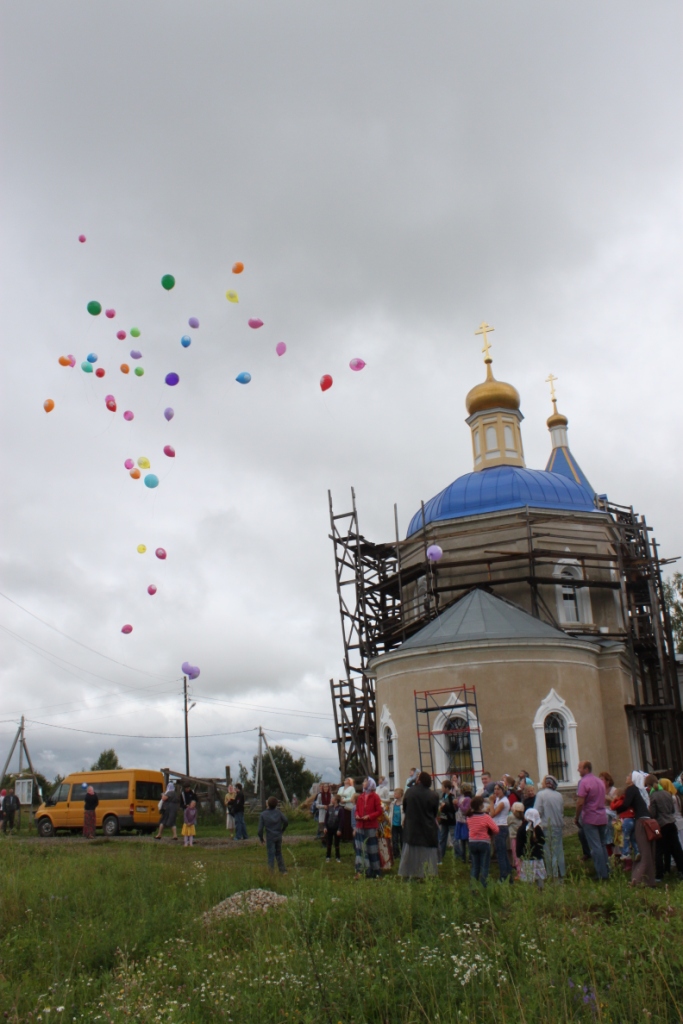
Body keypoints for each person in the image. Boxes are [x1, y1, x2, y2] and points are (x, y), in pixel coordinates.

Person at [398, 772, 440, 879]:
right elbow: (435, 812)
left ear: (419, 780)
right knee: (426, 852)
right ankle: (427, 873)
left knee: (411, 851)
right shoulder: (433, 795)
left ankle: (409, 873)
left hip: (412, 826)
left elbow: (405, 808)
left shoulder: (409, 792)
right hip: (427, 827)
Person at [619, 773, 656, 887]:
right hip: (650, 821)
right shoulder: (643, 791)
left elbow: (625, 804)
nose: (627, 777)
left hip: (641, 822)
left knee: (643, 852)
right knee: (650, 853)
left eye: (629, 775)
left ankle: (635, 880)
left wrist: (615, 808)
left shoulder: (632, 789)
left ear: (634, 779)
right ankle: (650, 881)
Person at [574, 761, 609, 880]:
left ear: (586, 769)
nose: (578, 770)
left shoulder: (584, 782)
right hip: (602, 815)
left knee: (595, 846)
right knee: (603, 844)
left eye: (580, 768)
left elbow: (580, 802)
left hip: (590, 816)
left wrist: (576, 816)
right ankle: (607, 869)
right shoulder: (599, 781)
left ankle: (601, 874)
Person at [646, 774, 683, 881]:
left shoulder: (653, 796)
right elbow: (672, 810)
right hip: (672, 824)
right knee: (676, 849)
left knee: (659, 850)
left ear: (649, 785)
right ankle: (681, 870)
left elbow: (653, 813)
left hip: (660, 826)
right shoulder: (667, 794)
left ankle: (659, 874)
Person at [534, 775, 566, 880]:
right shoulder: (559, 795)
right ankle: (562, 873)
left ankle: (553, 875)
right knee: (559, 850)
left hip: (547, 826)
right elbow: (561, 811)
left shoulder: (541, 795)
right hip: (558, 826)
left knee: (549, 852)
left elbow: (537, 811)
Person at [353, 777, 383, 880]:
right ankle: (361, 871)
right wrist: (357, 815)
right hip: (360, 825)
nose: (363, 783)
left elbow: (379, 811)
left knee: (372, 848)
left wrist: (369, 816)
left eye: (365, 781)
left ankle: (375, 871)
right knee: (360, 849)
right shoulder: (361, 796)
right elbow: (357, 810)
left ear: (370, 783)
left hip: (370, 826)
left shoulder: (375, 797)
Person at [466, 795, 499, 888]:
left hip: (472, 842)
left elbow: (469, 827)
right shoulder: (486, 817)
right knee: (484, 866)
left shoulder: (469, 817)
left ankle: (473, 887)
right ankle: (483, 887)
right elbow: (496, 829)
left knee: (475, 866)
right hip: (484, 842)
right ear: (481, 806)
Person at [258, 796, 289, 873]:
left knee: (271, 854)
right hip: (278, 835)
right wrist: (282, 829)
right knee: (278, 853)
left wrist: (261, 838)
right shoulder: (278, 812)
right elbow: (286, 821)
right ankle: (283, 871)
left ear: (267, 804)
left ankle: (271, 872)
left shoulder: (263, 814)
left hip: (270, 836)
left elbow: (260, 829)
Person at [518, 808, 546, 890]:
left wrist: (519, 855)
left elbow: (519, 844)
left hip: (527, 857)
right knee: (539, 875)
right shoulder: (537, 828)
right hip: (538, 856)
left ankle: (529, 891)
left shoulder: (522, 829)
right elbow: (543, 840)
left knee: (528, 876)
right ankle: (541, 890)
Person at [489, 782, 512, 883]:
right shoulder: (499, 799)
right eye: (495, 789)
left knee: (501, 854)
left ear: (503, 790)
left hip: (501, 827)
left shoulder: (503, 801)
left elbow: (493, 814)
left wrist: (490, 802)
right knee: (502, 852)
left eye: (498, 789)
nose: (496, 791)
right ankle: (509, 876)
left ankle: (503, 877)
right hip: (498, 826)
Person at [437, 779, 457, 863]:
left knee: (454, 837)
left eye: (442, 787)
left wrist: (444, 807)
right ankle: (441, 854)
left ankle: (458, 854)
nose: (441, 788)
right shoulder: (443, 796)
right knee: (442, 837)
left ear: (447, 788)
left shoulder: (451, 796)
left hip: (450, 819)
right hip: (444, 819)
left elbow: (453, 809)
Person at [454, 783, 472, 863]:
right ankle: (463, 857)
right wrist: (455, 804)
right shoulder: (461, 797)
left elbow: (465, 810)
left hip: (465, 821)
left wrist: (458, 803)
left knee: (467, 839)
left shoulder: (468, 799)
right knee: (462, 840)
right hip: (460, 820)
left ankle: (470, 857)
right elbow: (457, 808)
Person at [323, 794, 343, 862]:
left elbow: (341, 820)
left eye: (333, 799)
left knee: (336, 843)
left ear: (336, 800)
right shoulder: (329, 808)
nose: (331, 800)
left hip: (336, 828)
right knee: (329, 842)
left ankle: (338, 857)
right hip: (329, 827)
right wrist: (325, 826)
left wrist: (339, 829)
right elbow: (326, 818)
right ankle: (328, 856)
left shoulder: (340, 809)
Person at [508, 802, 525, 878]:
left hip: (513, 837)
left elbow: (506, 823)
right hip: (521, 838)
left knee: (515, 855)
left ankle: (519, 873)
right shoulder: (522, 818)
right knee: (521, 856)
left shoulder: (511, 817)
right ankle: (523, 871)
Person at [390, 787, 404, 857]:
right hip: (394, 825)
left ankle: (403, 852)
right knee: (394, 839)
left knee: (402, 840)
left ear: (400, 795)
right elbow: (390, 814)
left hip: (401, 825)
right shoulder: (393, 804)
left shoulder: (403, 805)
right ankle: (396, 853)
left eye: (396, 793)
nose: (394, 794)